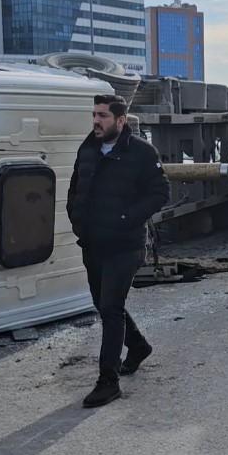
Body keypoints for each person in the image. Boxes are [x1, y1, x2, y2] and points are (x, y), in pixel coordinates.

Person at [68, 94, 170, 408]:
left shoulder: (141, 153)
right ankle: (137, 346)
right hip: (93, 242)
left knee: (111, 308)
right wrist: (77, 221)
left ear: (120, 120)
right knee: (103, 303)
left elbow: (160, 193)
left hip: (125, 245)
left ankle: (107, 381)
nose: (97, 121)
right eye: (94, 115)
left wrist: (127, 218)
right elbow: (75, 189)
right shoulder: (87, 149)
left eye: (103, 116)